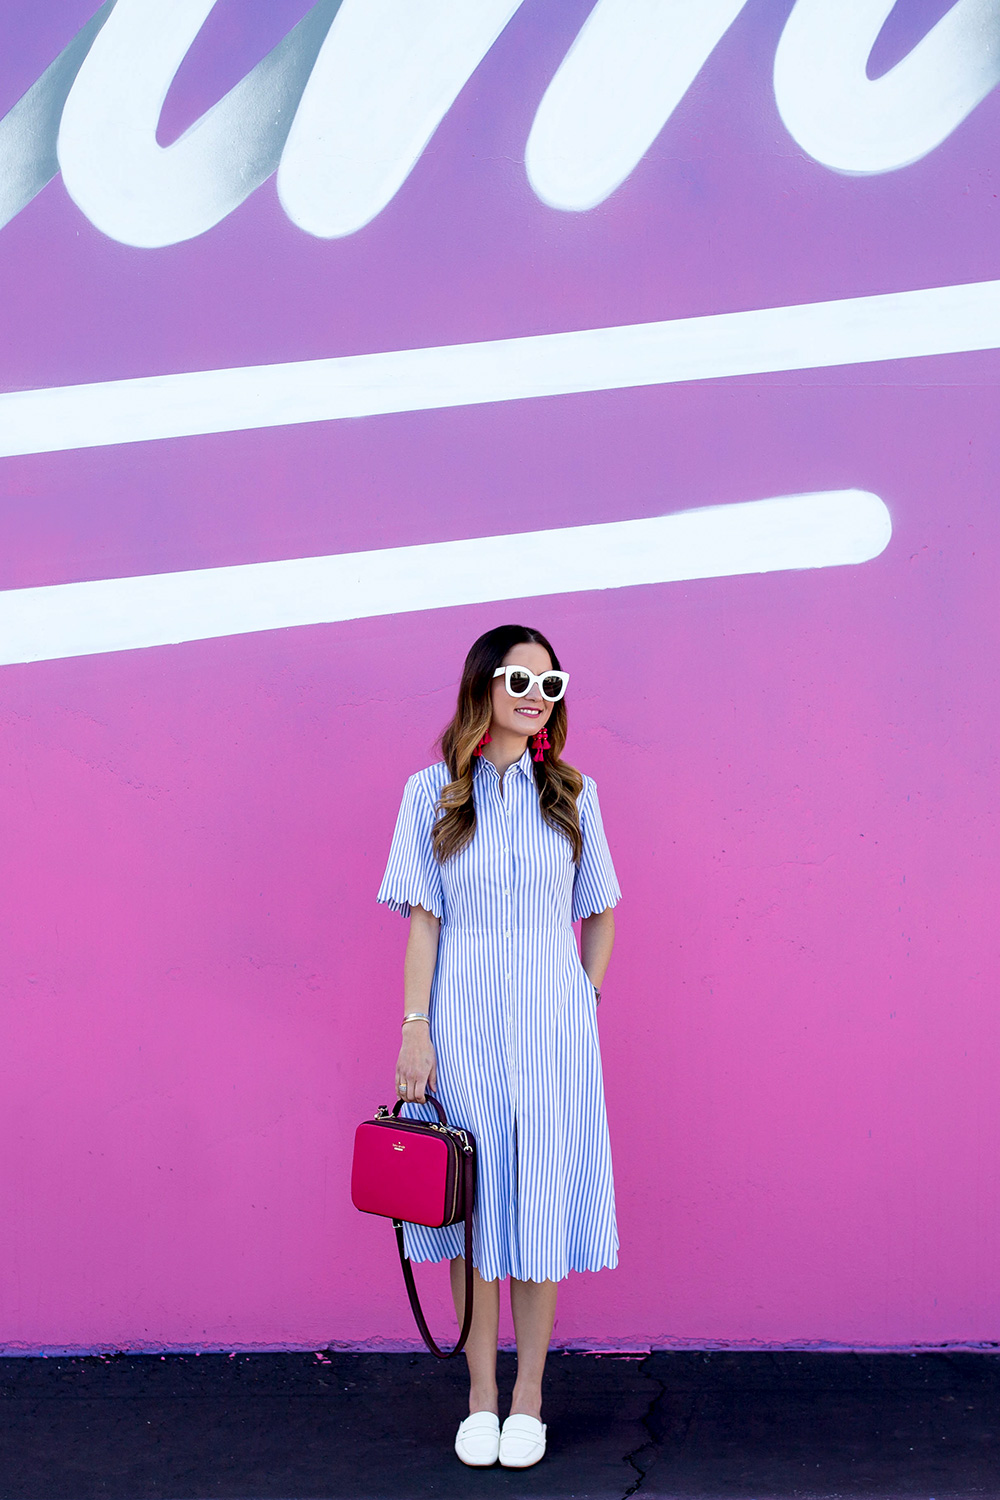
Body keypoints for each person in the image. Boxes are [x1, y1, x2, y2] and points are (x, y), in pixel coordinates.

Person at [376, 624, 621, 1469]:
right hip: (464, 1024)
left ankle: (529, 1398)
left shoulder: (575, 794)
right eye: (519, 679)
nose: (533, 694)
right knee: (474, 1212)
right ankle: (480, 1394)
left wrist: (580, 1001)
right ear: (482, 685)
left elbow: (603, 909)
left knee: (539, 1208)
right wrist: (416, 1030)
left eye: (548, 684)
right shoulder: (430, 793)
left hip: (553, 1037)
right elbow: (423, 920)